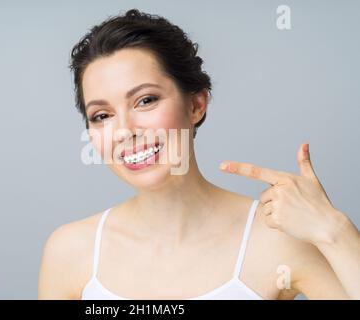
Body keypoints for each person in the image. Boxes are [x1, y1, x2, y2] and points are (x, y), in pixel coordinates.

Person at [38, 9, 360, 300]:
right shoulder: (71, 252)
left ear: (196, 105)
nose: (124, 130)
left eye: (146, 100)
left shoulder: (278, 240)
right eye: (102, 115)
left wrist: (335, 230)